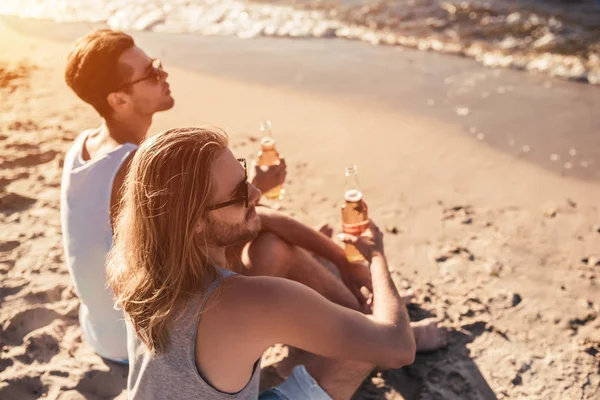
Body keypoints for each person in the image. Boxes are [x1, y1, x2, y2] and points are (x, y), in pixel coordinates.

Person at [61, 29, 447, 363]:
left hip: (103, 328)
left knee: (255, 228)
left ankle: (353, 294)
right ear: (118, 100)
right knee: (276, 247)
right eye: (150, 73)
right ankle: (373, 324)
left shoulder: (84, 146)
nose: (164, 74)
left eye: (157, 63)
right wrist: (347, 260)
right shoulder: (135, 168)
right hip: (139, 342)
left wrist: (245, 194)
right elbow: (233, 223)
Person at [107, 126, 416, 400]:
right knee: (360, 350)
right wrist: (376, 258)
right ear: (195, 222)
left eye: (244, 175)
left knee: (272, 248)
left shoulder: (134, 264)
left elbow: (264, 219)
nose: (256, 192)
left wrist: (342, 260)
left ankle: (349, 325)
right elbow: (399, 349)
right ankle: (371, 317)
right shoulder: (248, 301)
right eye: (239, 192)